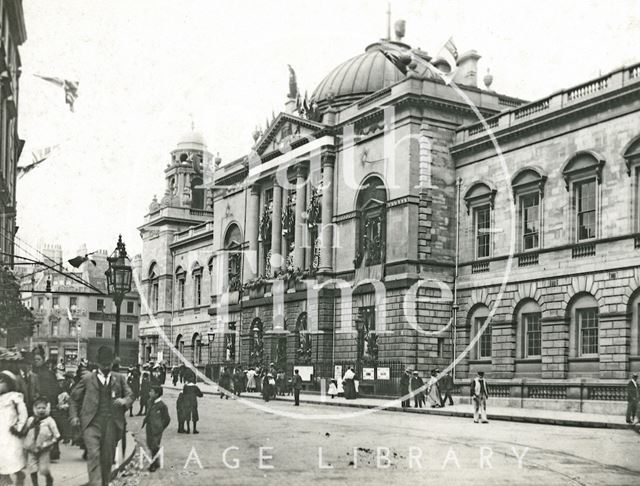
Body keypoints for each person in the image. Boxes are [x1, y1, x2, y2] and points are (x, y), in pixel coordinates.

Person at [69, 346, 134, 486]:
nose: (106, 366)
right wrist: (74, 416)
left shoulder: (119, 378)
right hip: (91, 424)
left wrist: (124, 401)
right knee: (93, 455)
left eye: (108, 364)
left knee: (107, 459)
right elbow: (74, 398)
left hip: (111, 425)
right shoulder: (87, 379)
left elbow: (130, 395)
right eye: (103, 364)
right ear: (98, 363)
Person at [24, 396, 60, 486]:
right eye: (38, 408)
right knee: (32, 468)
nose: (41, 410)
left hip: (44, 448)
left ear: (47, 408)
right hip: (31, 448)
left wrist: (50, 442)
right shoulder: (31, 420)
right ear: (34, 408)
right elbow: (25, 431)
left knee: (44, 469)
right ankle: (35, 484)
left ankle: (49, 479)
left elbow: (56, 435)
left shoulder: (50, 421)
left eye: (43, 408)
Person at [0, 370, 28, 486]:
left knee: (12, 455)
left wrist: (19, 426)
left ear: (9, 384)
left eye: (2, 382)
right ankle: (4, 476)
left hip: (11, 433)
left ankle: (19, 474)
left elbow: (23, 413)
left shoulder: (14, 397)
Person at [142, 386, 170, 472]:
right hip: (149, 428)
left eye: (152, 392)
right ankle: (156, 461)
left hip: (156, 430)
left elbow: (167, 419)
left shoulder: (162, 405)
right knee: (149, 444)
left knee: (154, 445)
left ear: (157, 394)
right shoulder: (150, 402)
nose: (150, 393)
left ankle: (154, 464)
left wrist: (161, 427)